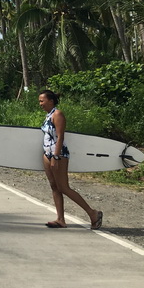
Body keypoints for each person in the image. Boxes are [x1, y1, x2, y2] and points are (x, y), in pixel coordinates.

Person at [39, 89, 103, 230]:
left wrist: (56, 156)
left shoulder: (58, 114)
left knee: (63, 187)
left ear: (50, 101)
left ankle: (93, 213)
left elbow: (61, 136)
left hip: (59, 154)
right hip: (47, 154)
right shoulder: (48, 116)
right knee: (54, 186)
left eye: (42, 101)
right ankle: (60, 219)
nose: (40, 104)